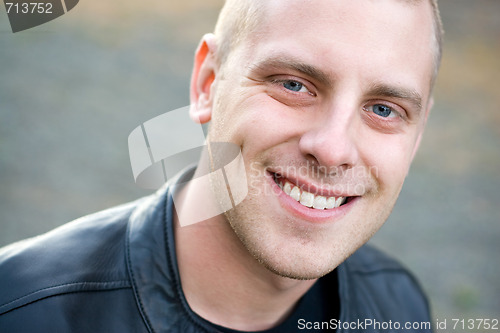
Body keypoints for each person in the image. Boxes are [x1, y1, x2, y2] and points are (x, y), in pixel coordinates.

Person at [0, 0, 443, 332]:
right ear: (208, 83)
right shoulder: (20, 309)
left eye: (384, 110)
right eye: (294, 84)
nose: (331, 148)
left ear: (418, 135)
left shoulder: (398, 307)